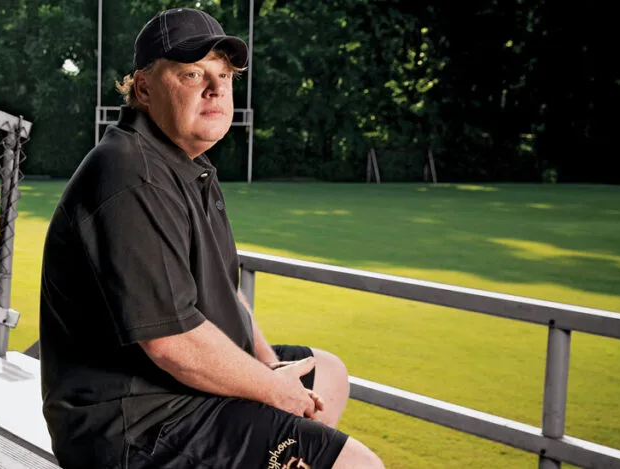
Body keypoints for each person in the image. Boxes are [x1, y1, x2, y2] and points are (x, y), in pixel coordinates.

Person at [39, 7, 384, 469]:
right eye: (192, 74)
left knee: (329, 375)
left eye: (224, 75)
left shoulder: (185, 163)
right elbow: (172, 342)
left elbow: (223, 291)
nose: (216, 87)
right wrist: (270, 390)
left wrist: (265, 362)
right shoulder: (130, 174)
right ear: (143, 88)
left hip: (175, 392)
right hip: (135, 426)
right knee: (358, 466)